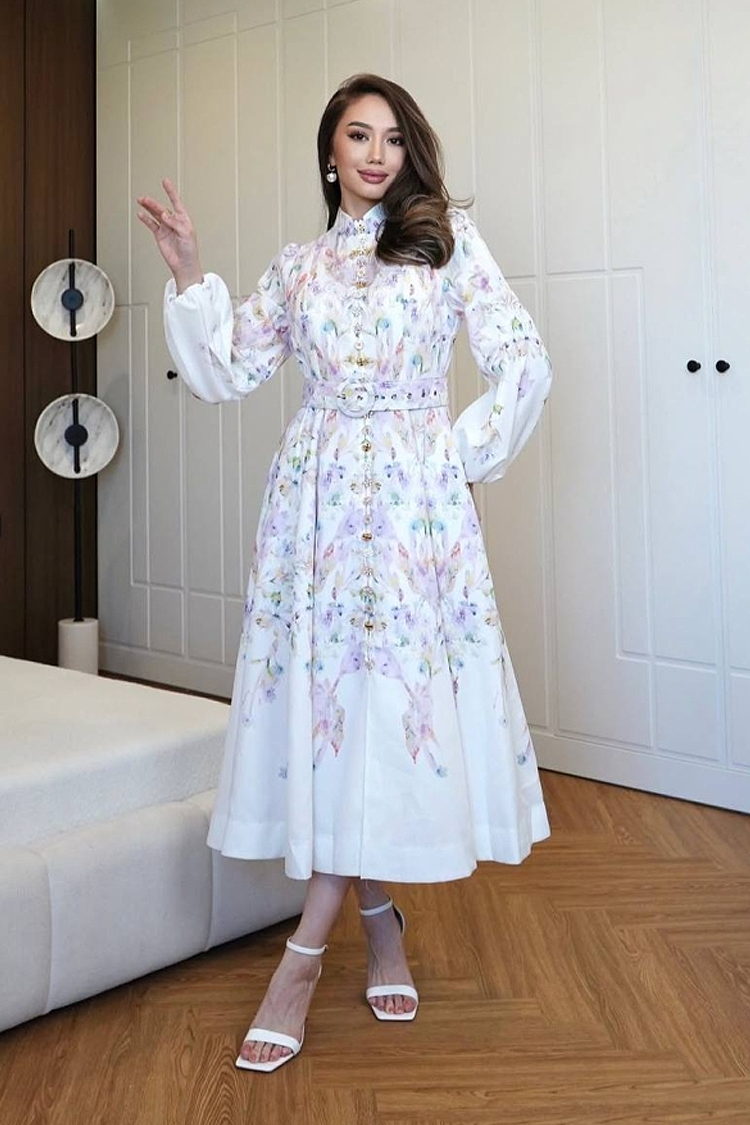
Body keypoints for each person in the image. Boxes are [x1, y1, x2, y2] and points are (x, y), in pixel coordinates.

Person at [137, 72, 552, 1074]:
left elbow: (524, 358)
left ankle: (301, 959)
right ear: (331, 152)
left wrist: (451, 457)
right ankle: (378, 920)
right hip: (314, 514)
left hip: (412, 516)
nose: (376, 154)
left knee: (384, 704)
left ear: (411, 153)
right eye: (358, 136)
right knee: (339, 712)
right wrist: (190, 270)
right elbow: (228, 368)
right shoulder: (298, 270)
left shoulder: (447, 242)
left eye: (393, 138)